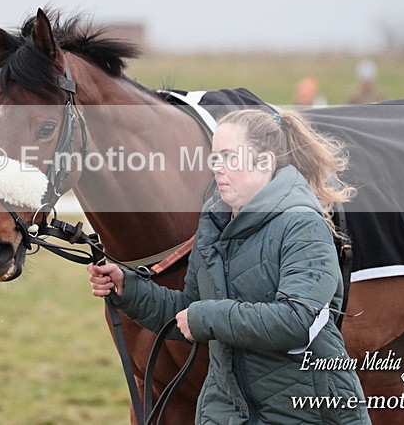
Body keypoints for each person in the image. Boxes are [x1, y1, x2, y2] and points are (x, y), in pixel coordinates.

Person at [89, 108, 370, 424]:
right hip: (226, 410)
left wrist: (207, 317)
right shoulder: (214, 223)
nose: (217, 169)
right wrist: (129, 289)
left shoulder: (303, 225)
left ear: (264, 162)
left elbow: (296, 321)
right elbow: (189, 310)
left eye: (229, 158)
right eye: (215, 158)